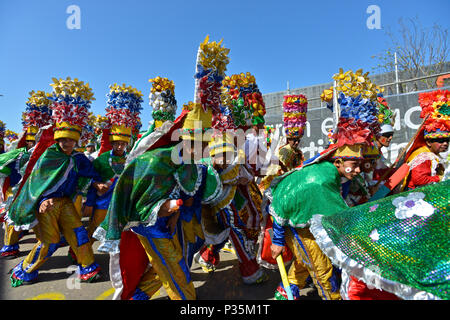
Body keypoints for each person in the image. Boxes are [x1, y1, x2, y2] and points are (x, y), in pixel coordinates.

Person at [268, 68, 381, 300]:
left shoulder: (335, 174)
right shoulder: (319, 178)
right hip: (295, 223)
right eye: (355, 164)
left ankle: (286, 291)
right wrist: (278, 240)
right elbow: (282, 203)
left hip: (308, 221)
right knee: (323, 273)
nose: (359, 170)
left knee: (308, 263)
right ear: (338, 160)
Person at [7, 77, 108, 286]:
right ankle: (25, 269)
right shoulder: (48, 157)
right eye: (63, 139)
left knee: (78, 234)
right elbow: (36, 185)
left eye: (71, 139)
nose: (67, 143)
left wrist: (97, 184)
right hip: (47, 206)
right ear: (57, 139)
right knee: (50, 241)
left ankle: (87, 267)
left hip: (66, 203)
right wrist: (42, 200)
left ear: (77, 140)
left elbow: (89, 174)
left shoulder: (78, 157)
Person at [84, 83, 143, 243]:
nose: (119, 146)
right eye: (116, 143)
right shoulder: (102, 159)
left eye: (122, 144)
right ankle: (78, 253)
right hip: (103, 202)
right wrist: (95, 190)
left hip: (122, 203)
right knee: (94, 229)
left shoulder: (130, 159)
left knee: (120, 233)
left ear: (127, 144)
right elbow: (90, 179)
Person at [1, 90, 53, 258]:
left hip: (38, 192)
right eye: (31, 139)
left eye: (37, 138)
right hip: (18, 191)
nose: (33, 142)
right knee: (14, 217)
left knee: (41, 223)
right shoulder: (17, 153)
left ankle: (43, 245)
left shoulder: (46, 154)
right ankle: (10, 246)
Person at [400, 89, 449, 191]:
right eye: (440, 140)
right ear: (428, 142)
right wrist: (442, 178)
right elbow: (419, 179)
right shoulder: (424, 155)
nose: (445, 143)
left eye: (447, 140)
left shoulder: (431, 153)